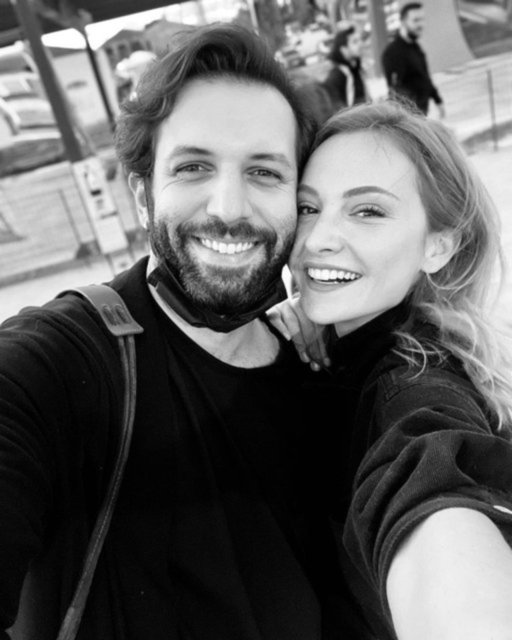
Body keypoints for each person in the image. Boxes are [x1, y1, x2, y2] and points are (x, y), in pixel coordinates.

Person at [0, 23, 356, 640]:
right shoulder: (59, 366)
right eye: (193, 167)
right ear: (142, 196)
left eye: (265, 172)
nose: (228, 208)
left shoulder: (318, 362)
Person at [269, 100, 512, 639]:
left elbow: (428, 479)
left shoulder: (412, 386)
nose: (317, 239)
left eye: (368, 211)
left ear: (438, 245)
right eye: (307, 208)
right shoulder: (338, 350)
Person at [381, 2, 445, 118]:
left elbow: (424, 77)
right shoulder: (392, 53)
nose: (421, 24)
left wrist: (437, 100)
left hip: (421, 113)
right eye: (415, 20)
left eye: (422, 19)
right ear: (403, 22)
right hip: (409, 117)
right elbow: (394, 90)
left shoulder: (416, 47)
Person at [322, 24, 368, 110]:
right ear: (343, 49)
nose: (360, 44)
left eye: (360, 40)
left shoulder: (355, 68)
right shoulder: (337, 75)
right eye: (355, 42)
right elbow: (336, 109)